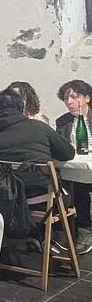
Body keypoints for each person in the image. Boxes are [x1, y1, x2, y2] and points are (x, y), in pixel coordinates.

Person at [0, 90, 75, 203]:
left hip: (6, 198)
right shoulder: (40, 127)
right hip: (43, 197)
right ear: (22, 108)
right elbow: (68, 153)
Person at [55, 80, 92, 254]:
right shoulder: (62, 122)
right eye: (66, 98)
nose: (69, 102)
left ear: (87, 98)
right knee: (78, 185)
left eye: (74, 97)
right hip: (77, 168)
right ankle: (84, 228)